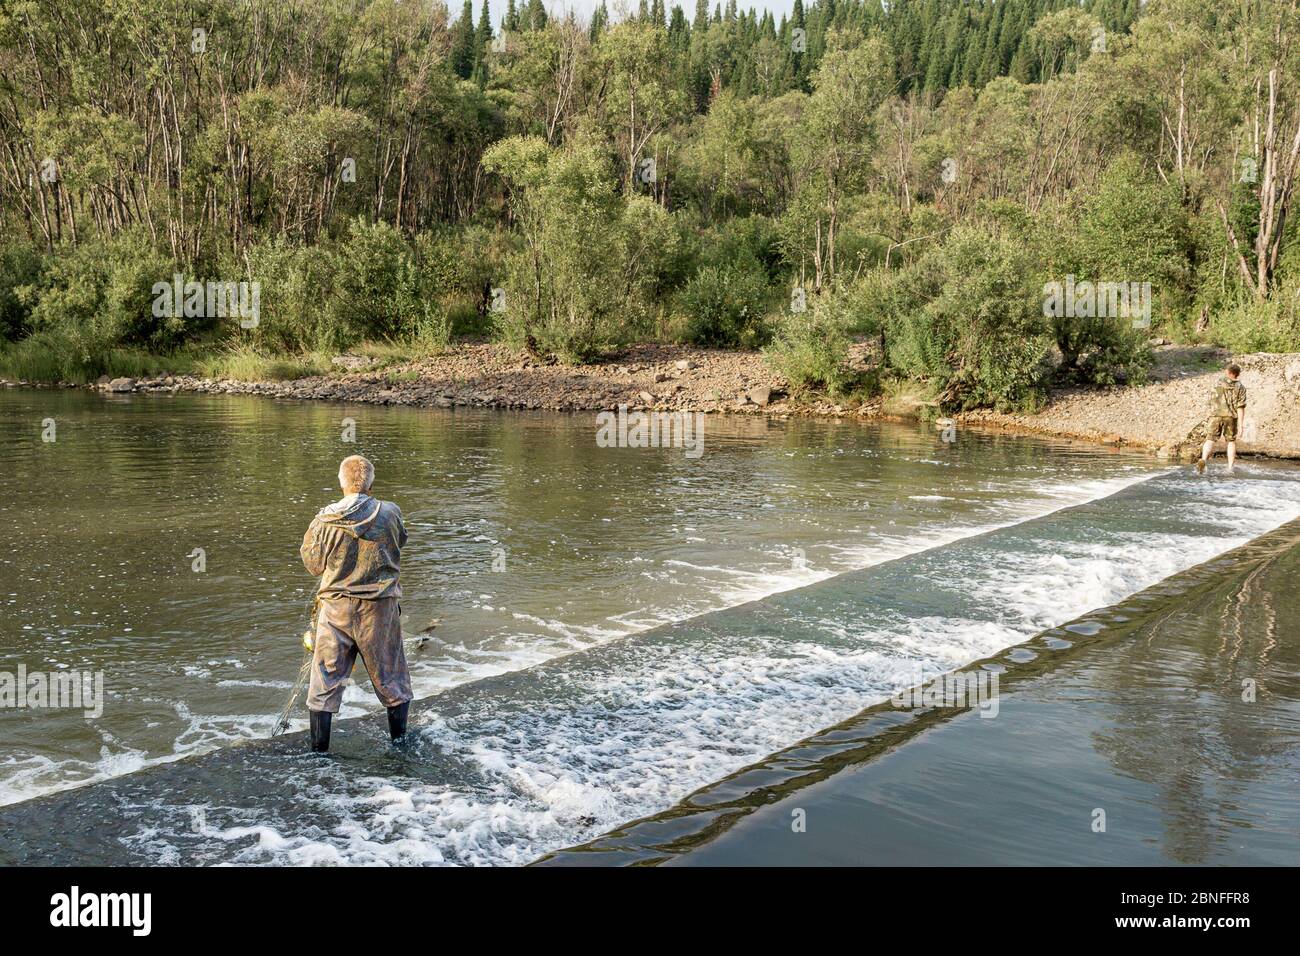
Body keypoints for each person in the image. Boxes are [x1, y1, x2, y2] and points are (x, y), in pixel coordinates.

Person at [299, 455, 413, 752]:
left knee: (325, 681)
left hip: (336, 608)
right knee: (392, 678)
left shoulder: (324, 518)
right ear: (370, 482)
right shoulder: (391, 512)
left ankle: (319, 752)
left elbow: (313, 564)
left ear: (342, 482)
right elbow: (399, 543)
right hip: (380, 608)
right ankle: (399, 744)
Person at [1196, 363, 1247, 475]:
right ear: (1237, 374)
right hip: (1231, 417)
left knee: (1210, 439)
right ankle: (1230, 467)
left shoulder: (1217, 383)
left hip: (1215, 415)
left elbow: (1210, 399)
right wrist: (1241, 425)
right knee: (1231, 441)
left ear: (1228, 372)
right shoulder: (1241, 388)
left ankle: (1203, 460)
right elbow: (1240, 407)